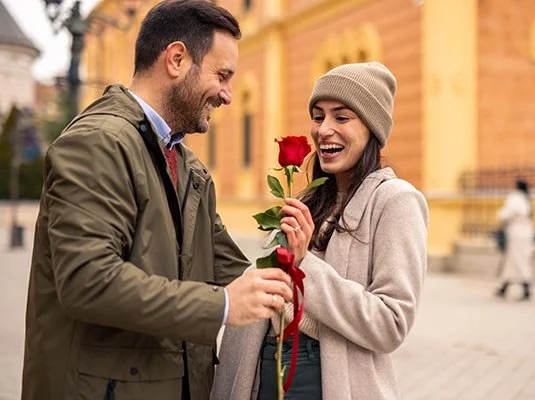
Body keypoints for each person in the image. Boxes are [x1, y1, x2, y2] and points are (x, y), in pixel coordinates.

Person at [21, 2, 293, 400]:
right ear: (177, 59)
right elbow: (87, 281)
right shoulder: (98, 143)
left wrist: (295, 261)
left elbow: (231, 272)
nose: (228, 95)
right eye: (222, 75)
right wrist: (221, 306)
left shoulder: (189, 168)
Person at [212, 62, 429, 399]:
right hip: (261, 367)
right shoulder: (309, 199)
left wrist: (306, 266)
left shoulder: (395, 201)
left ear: (372, 127)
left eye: (342, 118)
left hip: (322, 379)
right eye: (318, 116)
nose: (324, 129)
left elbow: (391, 323)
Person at [494, 179, 535, 301]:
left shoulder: (515, 198)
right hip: (526, 232)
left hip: (516, 233)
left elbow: (504, 214)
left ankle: (526, 286)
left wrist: (500, 220)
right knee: (512, 259)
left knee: (517, 259)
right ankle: (504, 287)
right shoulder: (526, 199)